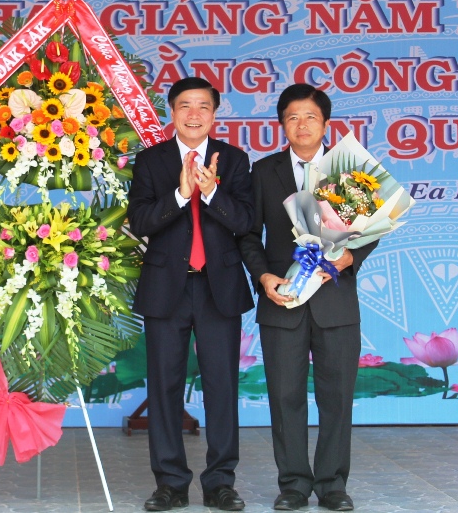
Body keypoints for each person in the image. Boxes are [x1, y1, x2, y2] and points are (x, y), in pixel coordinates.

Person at [238, 84, 378, 512]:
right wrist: (263, 276)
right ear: (282, 124)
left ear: (326, 123)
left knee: (337, 398)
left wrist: (350, 257)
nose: (302, 125)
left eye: (310, 117)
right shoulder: (264, 171)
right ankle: (294, 484)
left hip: (335, 301)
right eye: (293, 117)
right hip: (284, 299)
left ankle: (333, 484)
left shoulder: (349, 171)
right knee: (285, 398)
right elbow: (248, 234)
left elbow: (371, 229)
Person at [128, 77, 255, 512]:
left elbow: (245, 222)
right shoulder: (151, 162)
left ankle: (220, 483)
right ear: (172, 112)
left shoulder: (234, 160)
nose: (194, 114)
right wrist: (182, 194)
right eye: (185, 105)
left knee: (222, 386)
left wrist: (212, 191)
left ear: (215, 114)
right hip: (167, 288)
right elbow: (141, 222)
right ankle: (170, 483)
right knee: (164, 386)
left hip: (218, 288)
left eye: (203, 106)